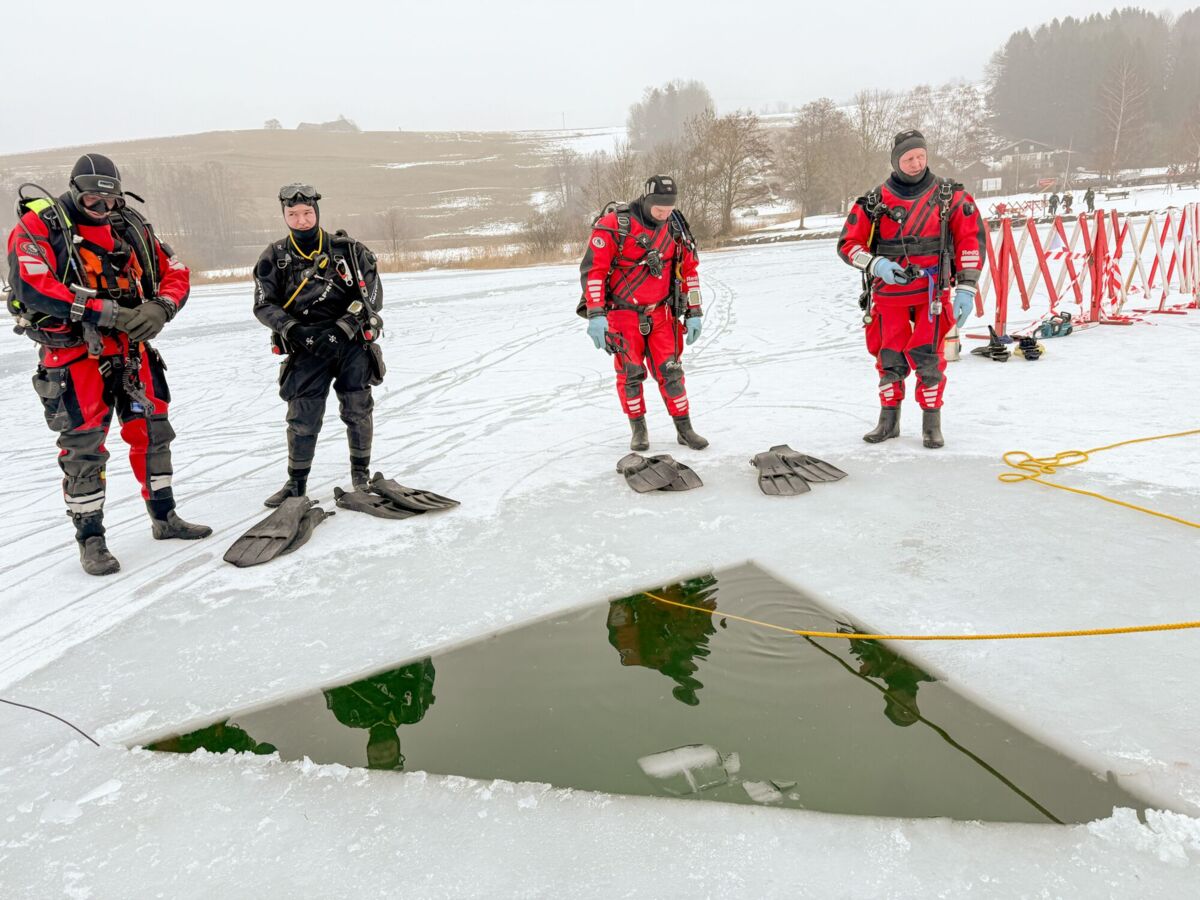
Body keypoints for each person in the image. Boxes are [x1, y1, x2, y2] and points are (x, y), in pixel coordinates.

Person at [5, 153, 211, 576]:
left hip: (131, 350)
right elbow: (32, 284)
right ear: (74, 191)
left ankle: (164, 516)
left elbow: (175, 270)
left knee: (153, 432)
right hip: (75, 355)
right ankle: (91, 540)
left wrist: (160, 307)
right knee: (83, 448)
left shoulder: (129, 225)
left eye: (112, 201)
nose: (103, 209)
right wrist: (105, 312)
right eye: (93, 202)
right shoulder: (40, 227)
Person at [837, 130, 986, 448]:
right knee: (889, 356)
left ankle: (932, 423)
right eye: (908, 158)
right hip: (889, 294)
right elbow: (848, 244)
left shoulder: (950, 195)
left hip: (933, 294)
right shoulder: (874, 201)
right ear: (896, 162)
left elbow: (970, 239)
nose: (916, 163)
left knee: (930, 358)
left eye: (920, 156)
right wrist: (875, 264)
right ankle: (888, 421)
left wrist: (967, 286)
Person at [252, 184, 385, 507]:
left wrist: (342, 329)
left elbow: (372, 297)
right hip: (306, 347)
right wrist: (296, 331)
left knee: (357, 408)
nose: (301, 220)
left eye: (307, 213)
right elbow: (263, 304)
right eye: (293, 214)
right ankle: (296, 485)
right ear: (284, 215)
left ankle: (361, 476)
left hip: (351, 343)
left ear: (317, 212)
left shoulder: (349, 251)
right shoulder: (274, 256)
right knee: (302, 415)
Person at [579, 175, 707, 451]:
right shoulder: (615, 225)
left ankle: (684, 429)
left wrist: (695, 309)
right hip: (622, 316)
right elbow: (594, 272)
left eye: (669, 209)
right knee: (631, 374)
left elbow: (689, 271)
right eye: (659, 209)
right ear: (647, 200)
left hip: (662, 314)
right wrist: (596, 314)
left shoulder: (675, 224)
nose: (664, 215)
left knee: (672, 372)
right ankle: (638, 430)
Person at [324, 659, 436, 770]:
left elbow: (328, 677)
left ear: (368, 753)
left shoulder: (349, 717)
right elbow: (424, 664)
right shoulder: (412, 714)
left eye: (377, 757)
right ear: (398, 748)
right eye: (390, 753)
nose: (383, 750)